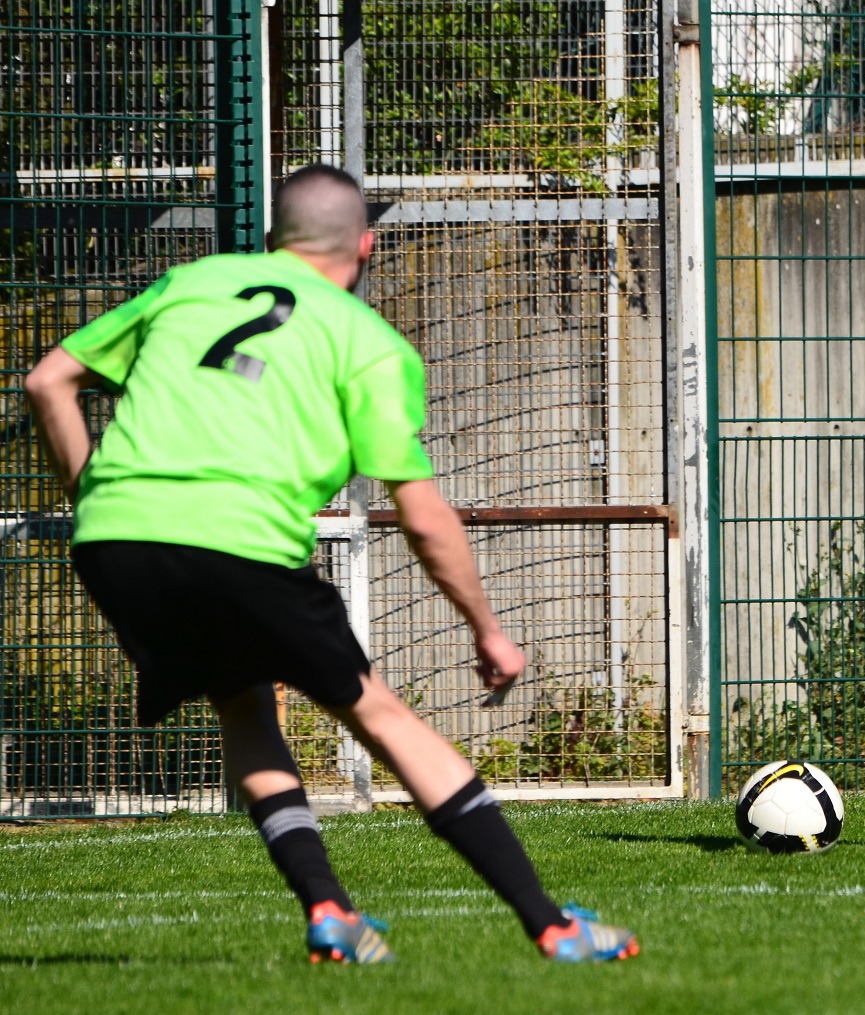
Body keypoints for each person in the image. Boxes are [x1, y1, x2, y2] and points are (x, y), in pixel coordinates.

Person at [24, 164, 640, 963]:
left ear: (275, 237)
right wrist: (488, 629)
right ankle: (551, 925)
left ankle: (329, 912)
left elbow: (49, 380)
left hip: (112, 539)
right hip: (237, 540)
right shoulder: (367, 341)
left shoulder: (191, 282)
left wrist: (98, 496)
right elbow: (423, 514)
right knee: (382, 714)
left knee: (243, 704)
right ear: (367, 246)